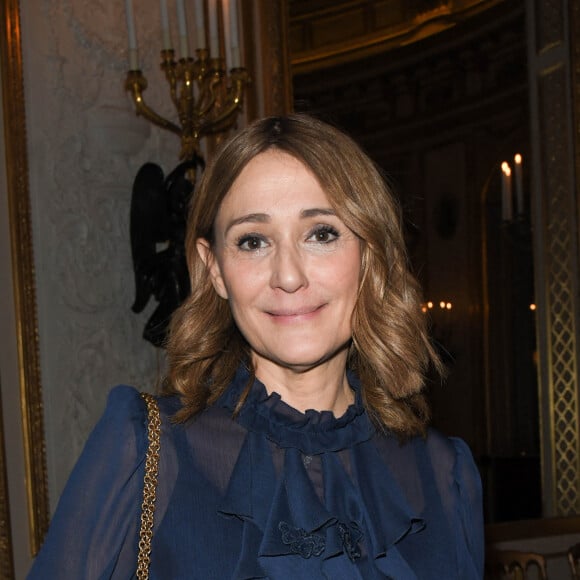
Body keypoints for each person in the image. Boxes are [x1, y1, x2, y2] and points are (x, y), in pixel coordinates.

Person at [28, 114, 484, 579]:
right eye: (253, 241)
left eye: (322, 234)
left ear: (369, 256)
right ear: (215, 270)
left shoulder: (447, 474)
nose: (288, 276)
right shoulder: (144, 450)